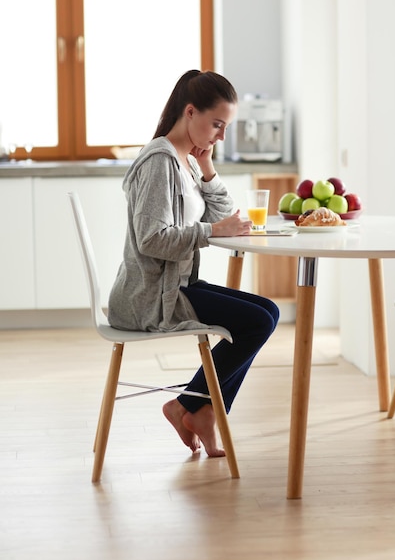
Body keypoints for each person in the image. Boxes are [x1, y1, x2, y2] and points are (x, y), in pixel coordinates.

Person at [108, 69, 279, 458]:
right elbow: (153, 239)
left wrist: (208, 170)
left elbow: (227, 214)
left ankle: (196, 408)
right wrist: (212, 229)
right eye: (217, 125)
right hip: (152, 296)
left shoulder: (184, 162)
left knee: (269, 311)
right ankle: (194, 407)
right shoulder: (159, 162)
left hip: (179, 284)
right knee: (258, 321)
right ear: (190, 112)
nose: (220, 136)